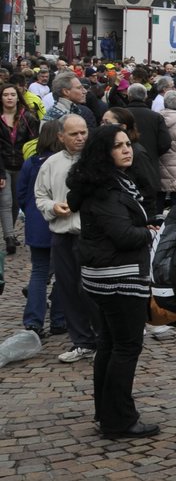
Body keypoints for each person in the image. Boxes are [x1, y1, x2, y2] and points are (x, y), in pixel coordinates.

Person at [66, 124, 157, 438]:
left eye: (127, 144)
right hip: (118, 277)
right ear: (104, 153)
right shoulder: (107, 188)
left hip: (105, 275)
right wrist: (150, 232)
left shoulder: (111, 182)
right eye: (118, 146)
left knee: (110, 344)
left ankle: (106, 414)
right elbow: (123, 234)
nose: (127, 149)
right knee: (126, 347)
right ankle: (119, 419)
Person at [37, 114, 95, 363]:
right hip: (62, 236)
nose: (80, 137)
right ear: (61, 136)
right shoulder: (51, 164)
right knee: (68, 291)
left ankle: (102, 339)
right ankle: (82, 341)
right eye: (74, 134)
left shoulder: (96, 160)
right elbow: (40, 195)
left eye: (83, 132)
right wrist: (52, 207)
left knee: (92, 291)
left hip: (91, 236)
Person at [17, 120, 63, 338]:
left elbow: (22, 193)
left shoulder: (32, 162)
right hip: (59, 222)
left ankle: (34, 322)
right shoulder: (63, 163)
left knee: (39, 272)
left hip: (37, 223)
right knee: (63, 273)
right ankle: (59, 319)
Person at [0, 83, 38, 253]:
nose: (9, 98)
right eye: (6, 94)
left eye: (12, 94)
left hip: (22, 166)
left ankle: (11, 232)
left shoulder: (28, 118)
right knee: (5, 201)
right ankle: (8, 236)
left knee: (16, 202)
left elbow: (34, 142)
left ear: (18, 97)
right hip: (3, 164)